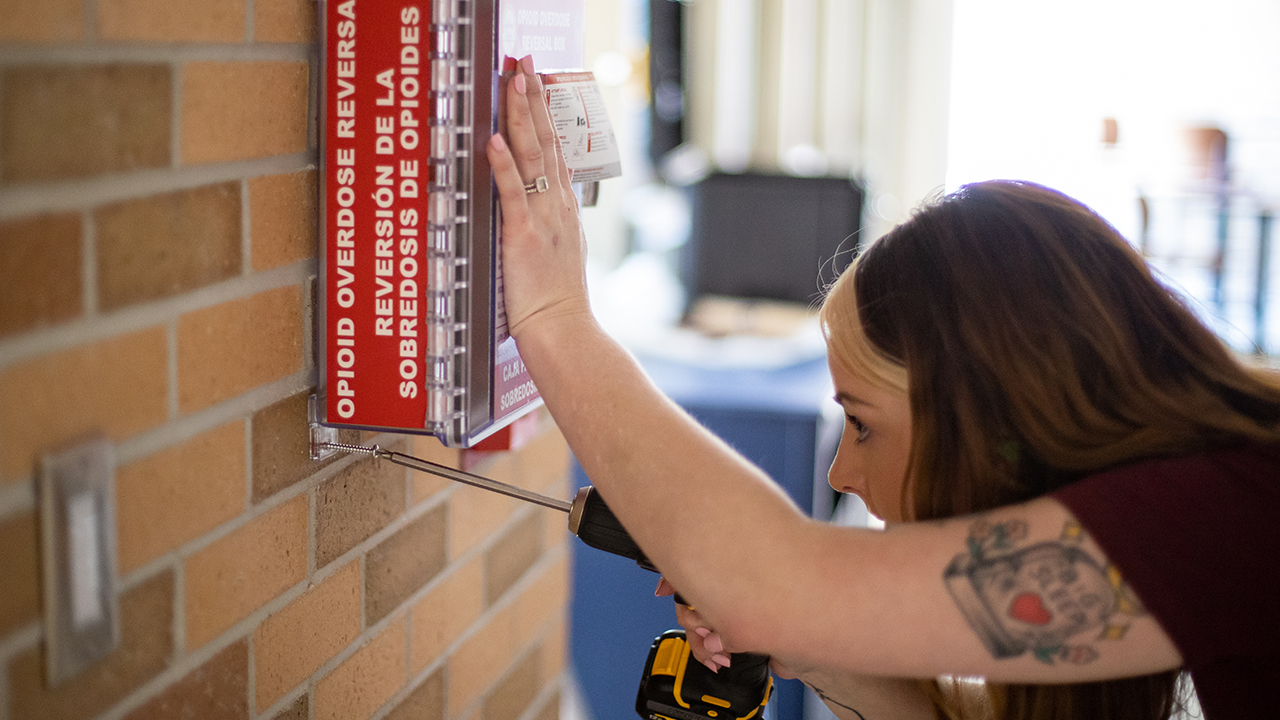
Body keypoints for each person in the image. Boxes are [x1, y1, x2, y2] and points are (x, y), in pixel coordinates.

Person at [486, 55, 1280, 720]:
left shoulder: (1220, 511)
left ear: (989, 415)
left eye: (861, 425)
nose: (842, 477)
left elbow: (772, 582)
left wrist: (557, 316)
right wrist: (819, 639)